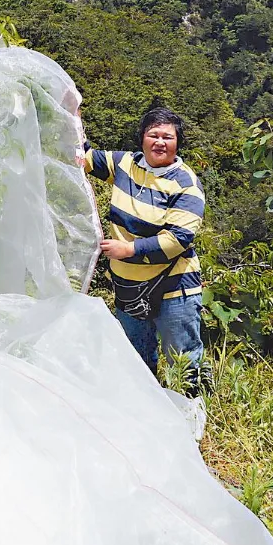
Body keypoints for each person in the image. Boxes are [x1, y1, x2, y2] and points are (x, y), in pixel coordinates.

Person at [82, 106, 207, 395]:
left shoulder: (186, 184)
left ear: (178, 143)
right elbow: (84, 158)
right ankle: (144, 411)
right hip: (129, 287)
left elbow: (179, 238)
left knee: (182, 359)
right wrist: (70, 112)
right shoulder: (125, 164)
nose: (160, 142)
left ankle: (190, 412)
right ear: (142, 138)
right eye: (154, 135)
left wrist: (128, 249)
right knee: (136, 360)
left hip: (173, 286)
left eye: (168, 137)